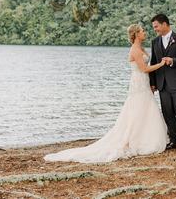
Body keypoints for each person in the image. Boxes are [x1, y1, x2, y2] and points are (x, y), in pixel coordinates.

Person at [44, 24, 168, 163]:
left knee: (145, 108)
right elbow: (144, 68)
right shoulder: (135, 50)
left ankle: (144, 136)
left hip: (143, 82)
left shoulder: (141, 48)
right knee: (137, 108)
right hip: (138, 81)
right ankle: (133, 139)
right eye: (142, 31)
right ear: (136, 34)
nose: (145, 33)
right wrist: (162, 64)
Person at [149, 14, 176, 153]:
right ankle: (173, 140)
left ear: (164, 24)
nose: (155, 29)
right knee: (167, 113)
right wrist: (153, 83)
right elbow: (154, 63)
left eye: (156, 26)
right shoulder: (155, 42)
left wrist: (173, 60)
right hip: (162, 84)